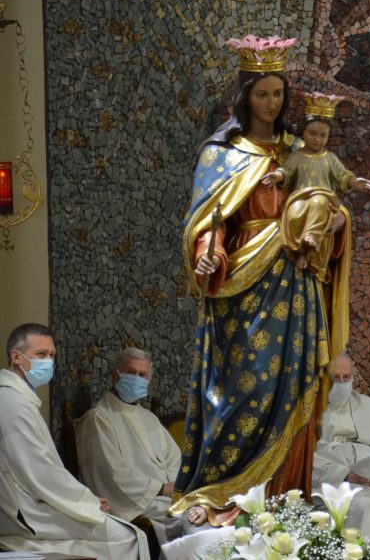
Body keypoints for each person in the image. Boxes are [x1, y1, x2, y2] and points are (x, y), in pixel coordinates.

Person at [172, 35, 352, 523]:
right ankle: (226, 494)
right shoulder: (221, 154)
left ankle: (283, 503)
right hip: (242, 289)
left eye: (278, 94)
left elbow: (329, 205)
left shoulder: (301, 149)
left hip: (296, 282)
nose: (271, 103)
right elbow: (209, 222)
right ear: (244, 96)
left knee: (294, 384)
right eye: (261, 94)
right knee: (243, 389)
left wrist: (337, 223)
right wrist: (208, 254)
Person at [0, 323, 150, 557]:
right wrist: (86, 501)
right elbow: (40, 471)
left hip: (32, 501)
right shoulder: (12, 403)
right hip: (25, 511)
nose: (49, 362)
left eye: (52, 355)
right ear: (16, 357)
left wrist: (84, 500)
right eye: (41, 354)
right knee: (127, 536)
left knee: (125, 532)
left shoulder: (20, 398)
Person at [75, 347, 184, 553]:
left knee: (204, 511)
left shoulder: (148, 417)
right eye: (131, 372)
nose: (137, 379)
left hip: (162, 497)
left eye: (142, 375)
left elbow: (174, 458)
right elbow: (113, 474)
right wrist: (162, 488)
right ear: (115, 375)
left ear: (149, 381)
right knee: (190, 519)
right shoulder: (98, 418)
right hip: (136, 501)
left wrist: (175, 486)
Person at [261, 92, 370, 273]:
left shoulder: (330, 158)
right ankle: (301, 252)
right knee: (294, 214)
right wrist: (277, 176)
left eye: (323, 135)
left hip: (323, 199)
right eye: (312, 133)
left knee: (319, 202)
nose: (317, 139)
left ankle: (310, 244)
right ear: (303, 132)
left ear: (328, 137)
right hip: (299, 199)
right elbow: (287, 170)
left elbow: (343, 175)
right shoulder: (297, 156)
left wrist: (354, 182)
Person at [312, 353, 370, 540]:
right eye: (335, 378)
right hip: (333, 484)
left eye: (346, 377)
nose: (341, 384)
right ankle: (359, 551)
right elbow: (303, 457)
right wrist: (343, 474)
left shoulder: (369, 406)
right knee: (362, 504)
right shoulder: (309, 409)